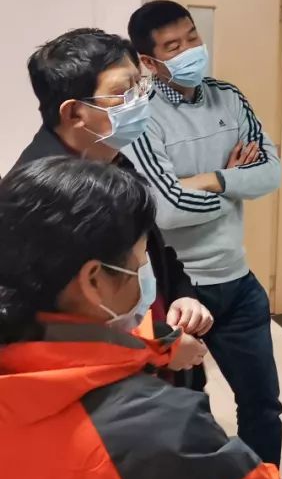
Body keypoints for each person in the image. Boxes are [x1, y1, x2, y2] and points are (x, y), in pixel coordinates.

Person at [0, 157, 281, 479]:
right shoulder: (157, 433)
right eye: (137, 261)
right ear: (93, 280)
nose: (145, 274)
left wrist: (150, 348)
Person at [126, 0, 282, 479]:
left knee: (263, 404)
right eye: (173, 46)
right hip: (177, 292)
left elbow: (271, 173)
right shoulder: (142, 116)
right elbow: (164, 211)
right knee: (186, 411)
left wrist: (211, 179)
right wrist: (232, 182)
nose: (190, 51)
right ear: (149, 61)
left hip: (237, 281)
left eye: (192, 37)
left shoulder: (229, 97)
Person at [17, 28, 211, 383]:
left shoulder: (111, 157)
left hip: (159, 347)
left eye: (140, 84)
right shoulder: (41, 200)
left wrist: (182, 296)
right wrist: (160, 348)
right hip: (112, 381)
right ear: (75, 113)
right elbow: (57, 330)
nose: (141, 100)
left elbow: (154, 248)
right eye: (124, 92)